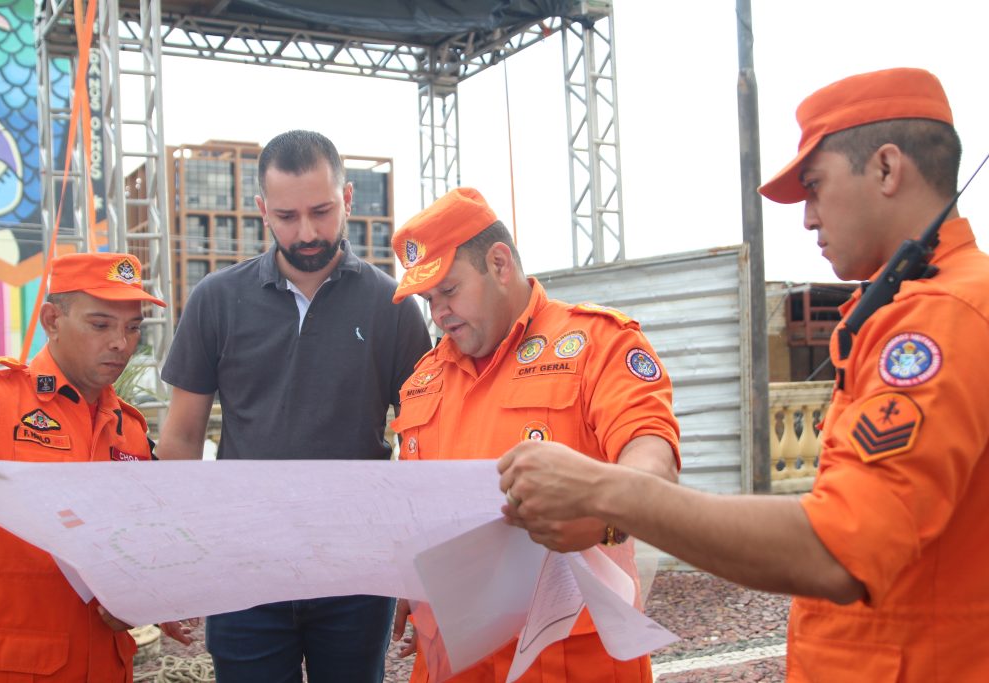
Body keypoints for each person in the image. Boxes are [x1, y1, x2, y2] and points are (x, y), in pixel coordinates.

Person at [498, 67, 989, 681]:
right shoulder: (936, 303)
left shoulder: (940, 320)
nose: (808, 218)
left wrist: (605, 490)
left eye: (815, 186)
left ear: (887, 169)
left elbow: (838, 548)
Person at [155, 129, 431, 682]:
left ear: (348, 199)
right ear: (261, 209)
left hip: (356, 567)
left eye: (322, 211)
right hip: (246, 565)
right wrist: (170, 563)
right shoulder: (216, 299)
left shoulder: (393, 306)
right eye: (286, 216)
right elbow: (181, 438)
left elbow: (425, 440)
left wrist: (417, 566)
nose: (306, 232)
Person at [387, 187, 681, 683]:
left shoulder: (596, 344)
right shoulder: (423, 380)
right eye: (428, 299)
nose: (438, 314)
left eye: (450, 290)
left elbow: (652, 455)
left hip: (572, 652)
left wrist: (603, 514)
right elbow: (413, 505)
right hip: (455, 653)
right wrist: (402, 578)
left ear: (499, 263)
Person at [0, 251, 194, 681]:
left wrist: (148, 597)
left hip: (105, 665)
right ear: (52, 320)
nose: (120, 344)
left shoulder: (129, 430)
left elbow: (136, 540)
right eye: (101, 324)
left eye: (132, 328)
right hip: (10, 666)